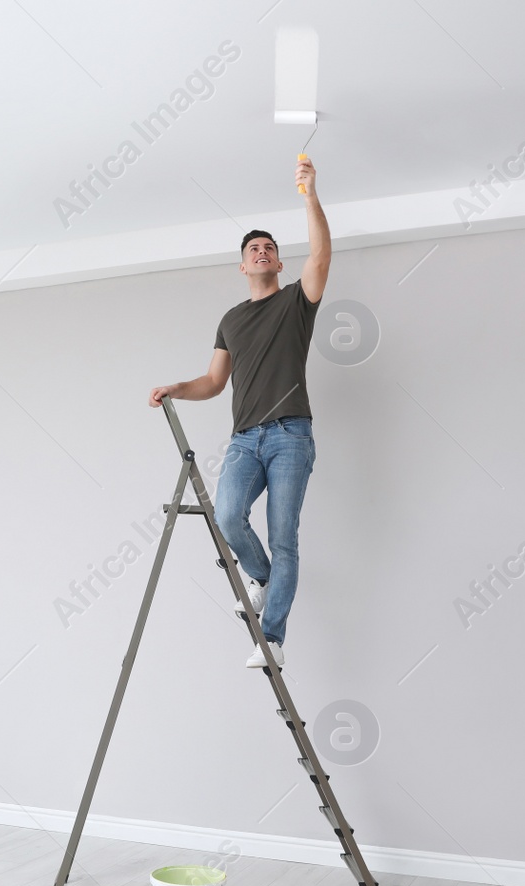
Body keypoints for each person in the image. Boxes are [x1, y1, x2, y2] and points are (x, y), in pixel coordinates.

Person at [149, 157, 330, 668]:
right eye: (254, 248)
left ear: (277, 263)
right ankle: (267, 581)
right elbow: (213, 381)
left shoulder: (297, 302)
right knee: (227, 515)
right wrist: (176, 388)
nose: (262, 250)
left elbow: (320, 255)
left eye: (270, 247)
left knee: (283, 536)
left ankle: (270, 638)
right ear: (243, 265)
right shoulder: (231, 319)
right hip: (246, 439)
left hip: (292, 434)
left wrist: (310, 196)